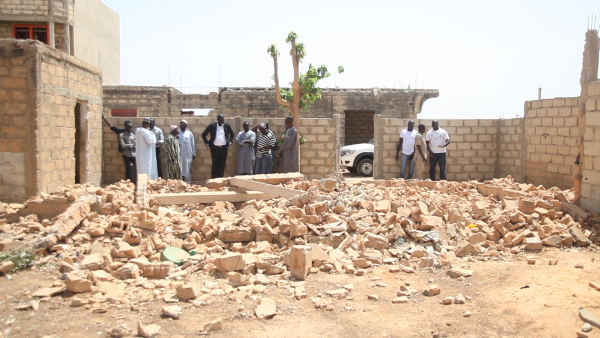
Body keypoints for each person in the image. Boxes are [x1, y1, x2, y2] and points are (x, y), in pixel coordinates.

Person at [202, 114, 234, 179]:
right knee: (215, 165)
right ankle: (213, 179)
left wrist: (230, 142)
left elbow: (232, 134)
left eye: (223, 120)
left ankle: (220, 180)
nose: (222, 122)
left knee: (222, 165)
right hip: (215, 149)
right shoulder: (212, 125)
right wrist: (208, 144)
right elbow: (204, 135)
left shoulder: (226, 126)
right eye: (220, 120)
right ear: (217, 120)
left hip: (224, 148)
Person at [102, 114, 130, 179]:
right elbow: (111, 126)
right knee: (128, 167)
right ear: (125, 126)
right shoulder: (121, 132)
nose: (130, 128)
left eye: (130, 127)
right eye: (128, 126)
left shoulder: (133, 133)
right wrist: (104, 118)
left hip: (133, 154)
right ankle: (128, 181)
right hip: (125, 153)